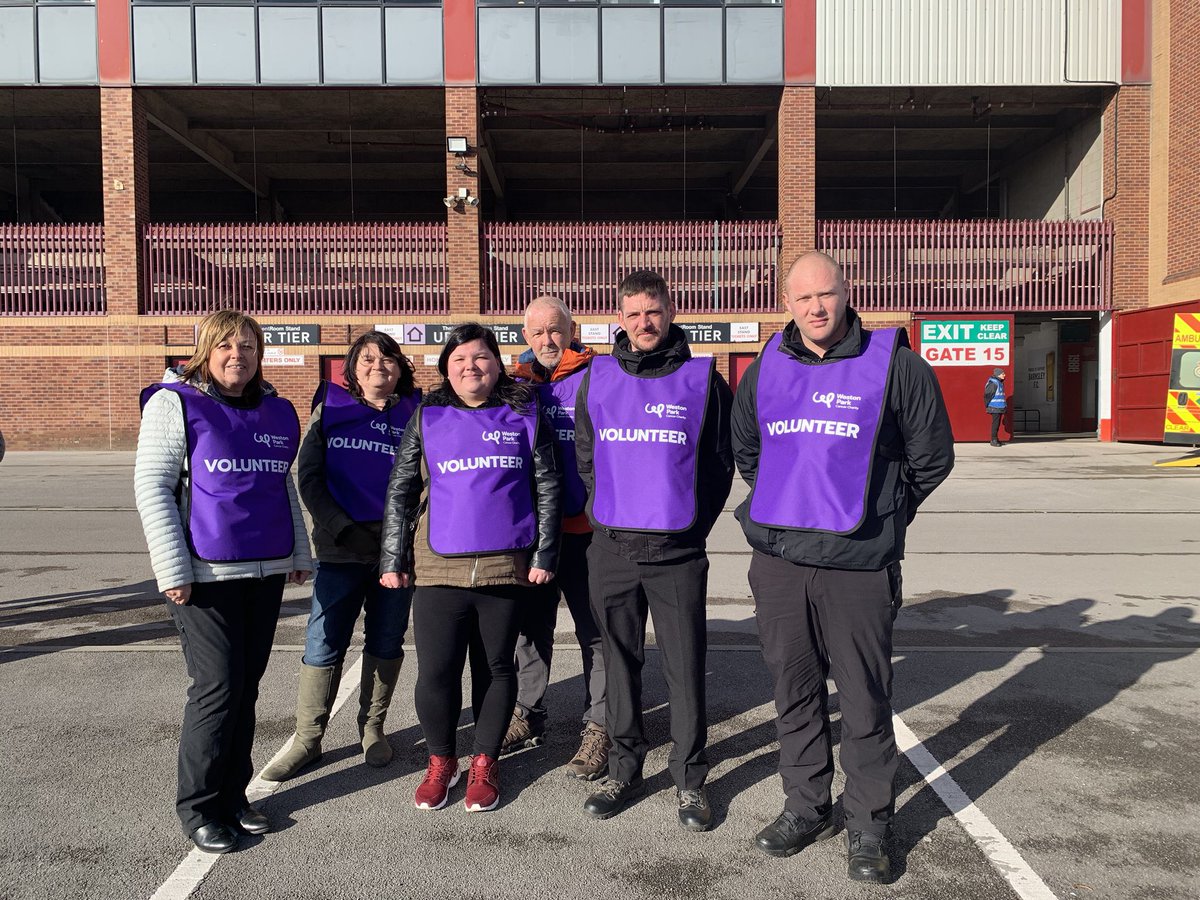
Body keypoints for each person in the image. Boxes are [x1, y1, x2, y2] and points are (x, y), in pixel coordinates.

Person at [731, 251, 954, 883]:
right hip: (779, 561)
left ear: (846, 291)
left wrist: (885, 513)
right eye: (802, 299)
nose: (815, 309)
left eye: (825, 295)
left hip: (859, 564)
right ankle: (806, 807)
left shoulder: (897, 365)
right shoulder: (767, 364)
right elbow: (746, 444)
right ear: (786, 302)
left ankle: (869, 824)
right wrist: (781, 506)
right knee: (794, 692)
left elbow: (931, 457)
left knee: (862, 697)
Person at [134, 308, 312, 855]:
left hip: (264, 571)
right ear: (205, 352)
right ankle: (199, 807)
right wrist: (172, 569)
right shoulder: (176, 404)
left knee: (247, 686)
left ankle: (234, 796)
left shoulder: (275, 410)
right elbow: (153, 487)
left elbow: (281, 486)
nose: (239, 355)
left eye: (250, 347)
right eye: (227, 346)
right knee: (216, 689)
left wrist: (298, 552)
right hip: (203, 575)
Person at [574, 270, 734, 831]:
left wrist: (692, 528)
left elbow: (719, 463)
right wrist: (604, 517)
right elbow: (587, 457)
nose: (645, 323)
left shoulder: (702, 379)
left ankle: (690, 779)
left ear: (670, 313)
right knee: (619, 662)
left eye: (654, 311)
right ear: (620, 318)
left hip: (677, 553)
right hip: (612, 550)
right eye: (634, 313)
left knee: (685, 668)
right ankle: (625, 766)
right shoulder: (598, 376)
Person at [379, 323, 562, 813]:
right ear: (446, 369)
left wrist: (545, 554)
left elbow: (547, 486)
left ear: (497, 363)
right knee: (436, 672)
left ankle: (485, 760)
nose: (470, 367)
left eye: (480, 357)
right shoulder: (428, 415)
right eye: (459, 359)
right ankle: (442, 761)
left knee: (497, 669)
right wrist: (392, 559)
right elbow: (400, 490)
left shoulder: (524, 412)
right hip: (439, 569)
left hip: (505, 568)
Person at [262, 331, 421, 783]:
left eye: (388, 360)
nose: (378, 367)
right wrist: (344, 530)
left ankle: (372, 728)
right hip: (341, 549)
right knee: (324, 641)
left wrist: (402, 539)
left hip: (396, 553)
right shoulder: (329, 410)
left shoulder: (419, 413)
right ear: (351, 368)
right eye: (367, 359)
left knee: (386, 640)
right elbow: (309, 479)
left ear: (400, 368)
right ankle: (308, 739)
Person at [500, 295, 611, 780]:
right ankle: (528, 712)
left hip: (586, 532)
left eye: (556, 330)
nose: (548, 340)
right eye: (538, 332)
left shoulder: (599, 377)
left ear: (572, 330)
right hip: (530, 536)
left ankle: (600, 725)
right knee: (530, 631)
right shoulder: (512, 387)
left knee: (597, 633)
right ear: (525, 337)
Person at [984, 367, 1008, 446]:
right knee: (995, 424)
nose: (1004, 375)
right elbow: (987, 395)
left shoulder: (999, 382)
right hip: (994, 407)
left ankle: (996, 439)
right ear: (998, 375)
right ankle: (993, 440)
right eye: (1002, 374)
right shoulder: (993, 383)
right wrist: (987, 405)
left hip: (999, 407)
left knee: (997, 424)